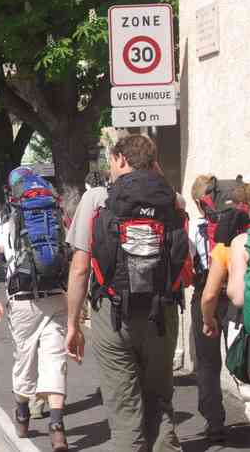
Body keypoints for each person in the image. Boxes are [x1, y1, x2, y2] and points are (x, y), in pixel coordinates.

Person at [65, 135, 189, 452]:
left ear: (120, 159)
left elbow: (80, 268)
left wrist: (73, 324)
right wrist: (152, 167)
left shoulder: (97, 199)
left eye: (112, 160)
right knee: (160, 401)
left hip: (113, 313)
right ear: (152, 163)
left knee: (124, 411)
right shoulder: (172, 200)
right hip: (161, 313)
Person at [0, 166, 69, 451]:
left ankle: (22, 413)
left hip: (22, 300)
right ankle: (56, 426)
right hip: (56, 295)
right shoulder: (56, 220)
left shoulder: (8, 227)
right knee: (55, 358)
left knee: (24, 358)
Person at [194, 179, 250, 442]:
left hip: (214, 297)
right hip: (238, 302)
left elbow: (202, 286)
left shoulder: (203, 230)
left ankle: (214, 421)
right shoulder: (240, 231)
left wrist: (206, 318)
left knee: (208, 363)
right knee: (239, 359)